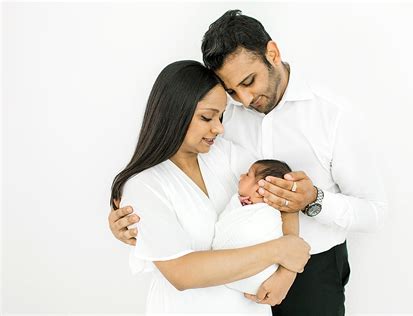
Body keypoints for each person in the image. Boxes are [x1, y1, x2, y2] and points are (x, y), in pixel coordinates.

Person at [109, 10, 387, 315]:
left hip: (315, 268)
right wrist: (136, 225)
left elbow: (374, 211)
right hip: (238, 283)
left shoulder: (331, 116)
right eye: (231, 91)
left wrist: (313, 203)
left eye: (249, 81)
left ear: (273, 53)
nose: (242, 99)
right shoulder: (221, 118)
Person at [110, 60, 311, 314]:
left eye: (221, 116)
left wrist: (287, 272)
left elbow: (284, 197)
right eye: (207, 117)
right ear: (175, 113)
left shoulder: (226, 155)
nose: (219, 128)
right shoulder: (143, 185)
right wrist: (279, 250)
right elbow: (182, 273)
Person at [213, 159, 298, 295]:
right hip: (232, 272)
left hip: (254, 275)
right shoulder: (242, 204)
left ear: (260, 191)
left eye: (247, 174)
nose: (241, 176)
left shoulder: (268, 215)